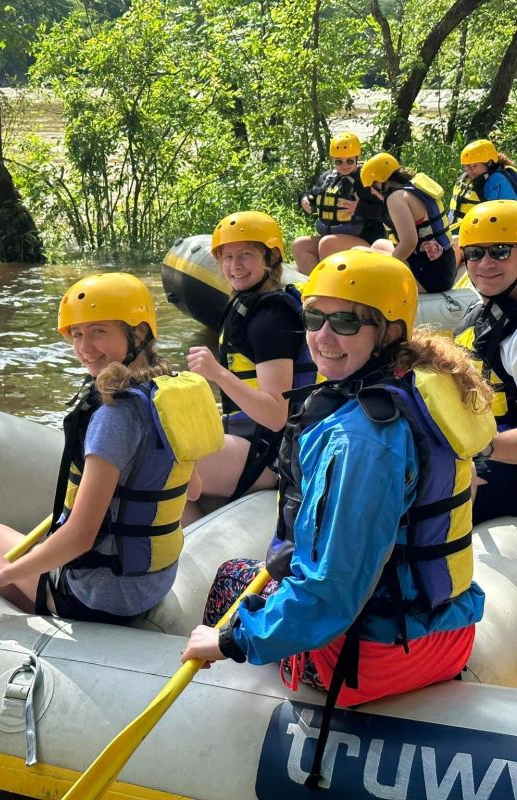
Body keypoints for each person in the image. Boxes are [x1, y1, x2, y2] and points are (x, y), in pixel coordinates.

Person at [181, 250, 494, 786]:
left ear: (388, 328)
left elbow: (334, 590)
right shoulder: (421, 383)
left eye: (346, 321)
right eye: (313, 318)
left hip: (369, 660)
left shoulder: (361, 438)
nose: (322, 336)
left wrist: (231, 642)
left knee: (231, 580)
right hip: (450, 636)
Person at [0, 272, 222, 624]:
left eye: (98, 331)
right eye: (77, 334)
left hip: (104, 596)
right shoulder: (167, 393)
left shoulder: (114, 415)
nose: (84, 347)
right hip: (154, 583)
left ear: (137, 333)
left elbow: (81, 536)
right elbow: (193, 487)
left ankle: (53, 623)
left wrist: (7, 572)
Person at [184, 211, 315, 523]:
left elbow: (275, 414)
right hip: (252, 437)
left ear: (269, 259)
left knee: (157, 466)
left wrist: (218, 373)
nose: (235, 266)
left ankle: (179, 559)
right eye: (227, 257)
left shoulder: (270, 320)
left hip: (270, 451)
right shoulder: (254, 305)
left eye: (246, 255)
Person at [454, 199, 517, 523]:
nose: (485, 263)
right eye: (475, 253)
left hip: (505, 460)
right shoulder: (483, 312)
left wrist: (481, 449)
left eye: (501, 250)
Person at [361, 152, 456, 293]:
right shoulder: (413, 187)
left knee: (358, 252)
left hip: (430, 277)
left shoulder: (395, 198)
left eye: (371, 186)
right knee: (379, 244)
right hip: (444, 265)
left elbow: (409, 242)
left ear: (380, 181)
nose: (372, 192)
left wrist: (389, 268)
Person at [292, 132, 385, 275]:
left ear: (357, 159)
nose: (344, 165)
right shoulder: (327, 178)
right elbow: (312, 194)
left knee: (328, 243)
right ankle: (313, 285)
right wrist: (303, 199)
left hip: (365, 243)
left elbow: (386, 211)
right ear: (332, 160)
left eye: (349, 161)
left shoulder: (367, 180)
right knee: (300, 245)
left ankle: (331, 289)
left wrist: (360, 208)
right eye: (338, 161)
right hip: (332, 239)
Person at [450, 139, 517, 225]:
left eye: (473, 166)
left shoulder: (498, 180)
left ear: (489, 163)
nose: (468, 171)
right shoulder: (466, 178)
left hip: (482, 233)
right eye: (466, 166)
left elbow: (507, 218)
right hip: (458, 232)